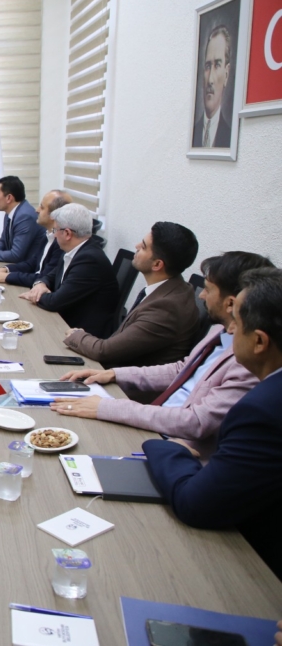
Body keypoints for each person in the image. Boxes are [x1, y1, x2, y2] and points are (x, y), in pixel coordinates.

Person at [52, 252, 270, 458]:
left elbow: (196, 422)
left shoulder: (248, 361)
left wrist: (108, 407)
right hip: (153, 420)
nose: (201, 295)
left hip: (174, 444)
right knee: (58, 422)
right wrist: (115, 374)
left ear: (231, 303)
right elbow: (182, 369)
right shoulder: (220, 330)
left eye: (208, 289)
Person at [142, 267, 282, 580]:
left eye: (237, 324)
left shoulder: (264, 411)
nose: (229, 329)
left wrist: (167, 449)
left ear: (259, 341)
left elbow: (196, 504)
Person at [62, 222, 201, 368]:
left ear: (157, 265)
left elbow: (104, 352)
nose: (136, 246)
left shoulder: (166, 309)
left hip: (122, 379)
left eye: (143, 246)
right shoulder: (174, 288)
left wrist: (77, 335)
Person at [19, 203, 119, 337]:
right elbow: (52, 275)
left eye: (55, 230)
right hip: (66, 322)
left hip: (83, 334)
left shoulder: (89, 260)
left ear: (67, 233)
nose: (54, 235)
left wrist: (34, 295)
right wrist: (40, 284)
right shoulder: (74, 250)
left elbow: (55, 302)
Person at [0, 190, 71, 286]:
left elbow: (44, 278)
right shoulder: (48, 235)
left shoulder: (61, 243)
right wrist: (6, 269)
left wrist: (7, 277)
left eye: (42, 207)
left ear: (54, 214)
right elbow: (32, 264)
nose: (37, 210)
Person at [0, 175, 47, 263]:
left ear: (9, 198)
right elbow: (3, 242)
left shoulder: (25, 216)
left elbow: (15, 255)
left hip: (29, 268)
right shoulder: (10, 213)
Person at [192, 25, 233, 148]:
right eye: (208, 66)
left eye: (217, 65)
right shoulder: (192, 133)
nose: (210, 79)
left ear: (226, 74)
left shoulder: (230, 136)